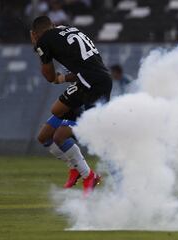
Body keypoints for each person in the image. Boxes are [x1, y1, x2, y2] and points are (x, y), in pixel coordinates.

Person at [30, 16, 112, 195]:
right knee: (49, 129)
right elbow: (77, 70)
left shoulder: (44, 40)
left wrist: (38, 47)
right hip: (89, 80)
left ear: (35, 34)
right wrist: (64, 78)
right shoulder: (68, 30)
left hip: (93, 84)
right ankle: (76, 167)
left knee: (67, 134)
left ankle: (90, 174)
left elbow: (49, 76)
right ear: (52, 25)